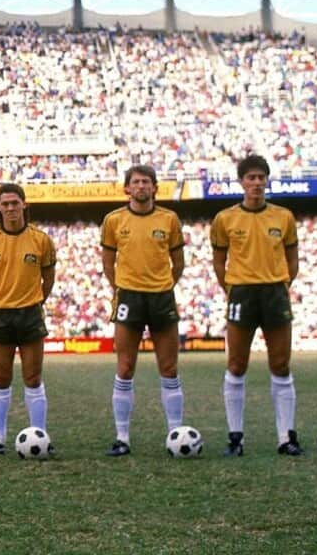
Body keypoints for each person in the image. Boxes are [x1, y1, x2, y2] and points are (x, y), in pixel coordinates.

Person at [211, 155, 302, 456]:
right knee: (236, 365)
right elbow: (219, 262)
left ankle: (285, 437)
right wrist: (233, 288)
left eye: (261, 177)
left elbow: (292, 260)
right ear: (241, 182)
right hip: (242, 294)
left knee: (281, 364)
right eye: (251, 178)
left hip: (275, 293)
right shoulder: (225, 219)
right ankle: (235, 437)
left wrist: (281, 284)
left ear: (267, 180)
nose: (257, 183)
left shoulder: (283, 216)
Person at [101, 166, 186, 456]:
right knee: (125, 368)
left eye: (146, 182)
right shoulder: (113, 220)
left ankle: (176, 433)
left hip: (161, 297)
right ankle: (122, 437)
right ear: (127, 188)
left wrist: (161, 286)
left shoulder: (169, 219)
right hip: (129, 298)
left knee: (169, 368)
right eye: (135, 182)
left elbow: (179, 263)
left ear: (154, 188)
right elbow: (107, 262)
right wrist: (123, 288)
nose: (141, 186)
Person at [0, 183, 56, 456]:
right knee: (2, 379)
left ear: (24, 205)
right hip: (0, 315)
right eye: (5, 203)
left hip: (30, 314)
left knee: (33, 377)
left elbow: (48, 280)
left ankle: (40, 435)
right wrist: (0, 302)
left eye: (14, 203)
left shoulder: (41, 240)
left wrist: (31, 301)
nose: (10, 207)